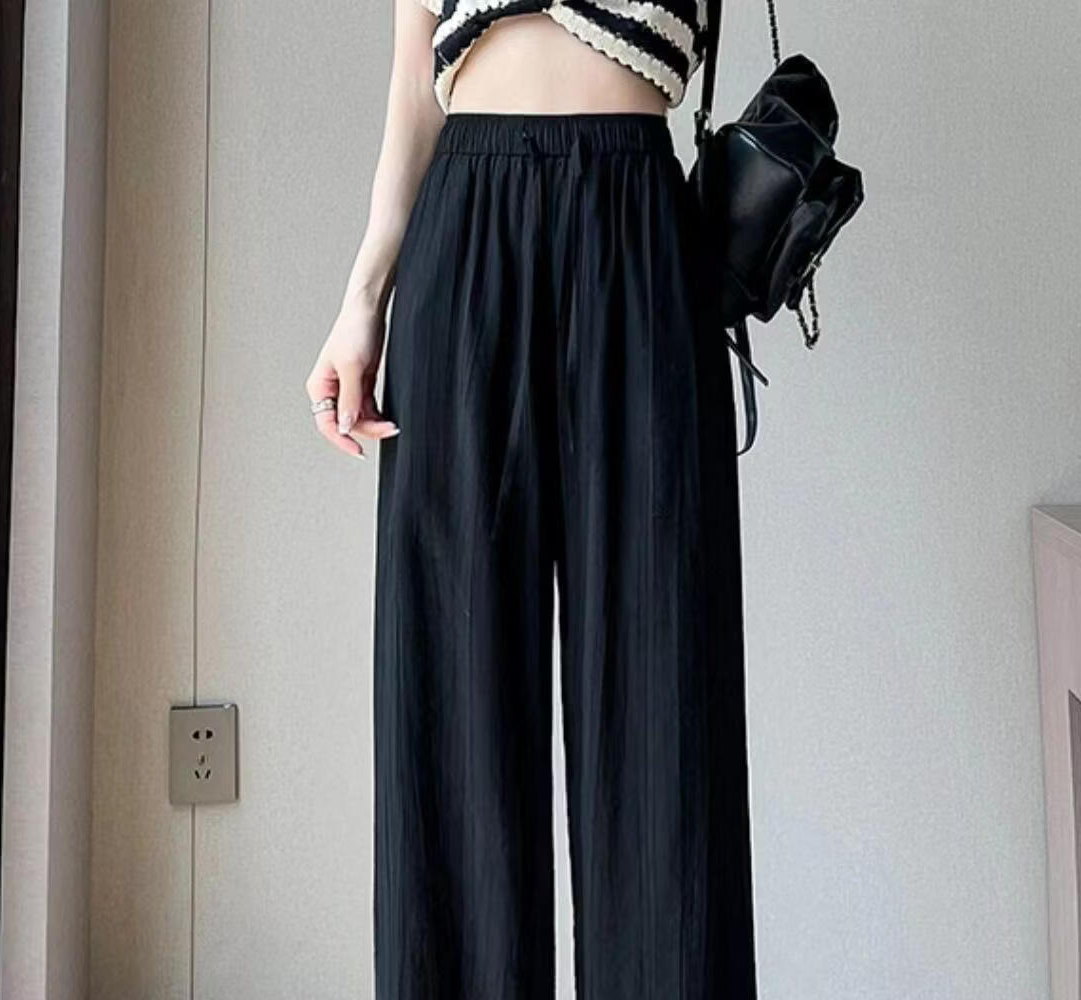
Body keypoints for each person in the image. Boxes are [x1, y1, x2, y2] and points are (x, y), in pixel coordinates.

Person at [307, 4, 759, 996]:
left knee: (663, 697)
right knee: (451, 685)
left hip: (639, 230)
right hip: (464, 226)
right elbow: (415, 85)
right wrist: (362, 301)